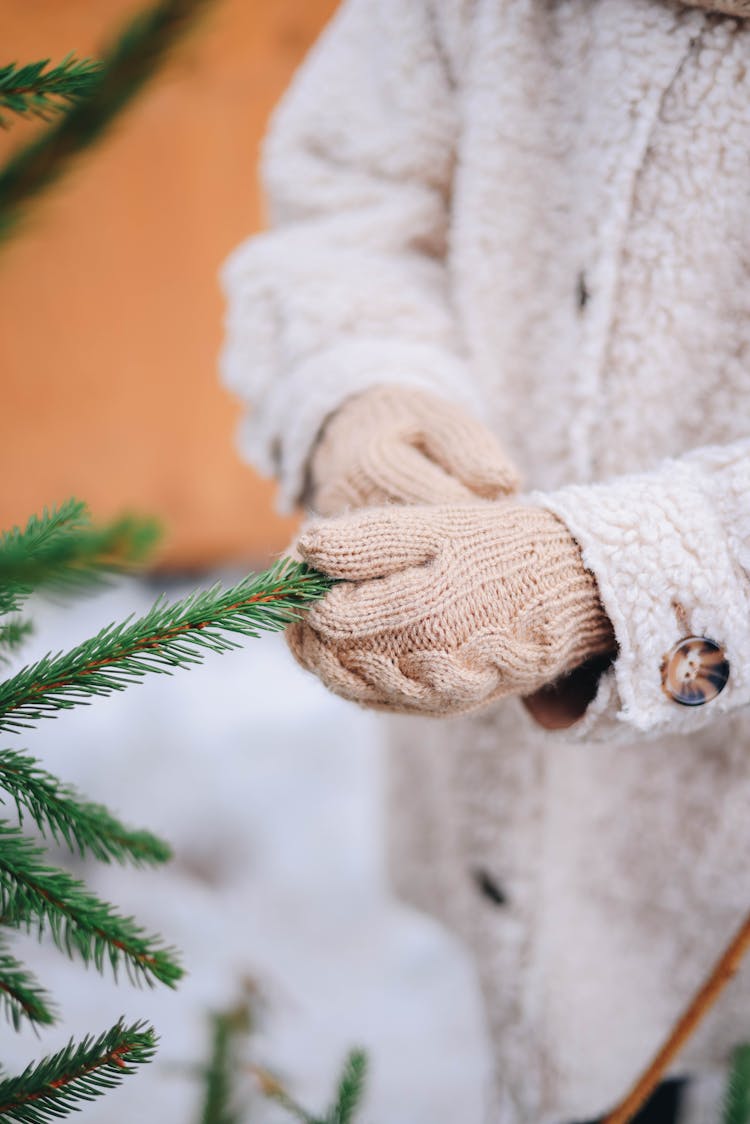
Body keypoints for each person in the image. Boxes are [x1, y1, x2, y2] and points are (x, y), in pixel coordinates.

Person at [219, 2, 750, 1120]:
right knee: (592, 1035)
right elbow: (346, 199)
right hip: (517, 798)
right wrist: (365, 389)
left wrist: (614, 571)